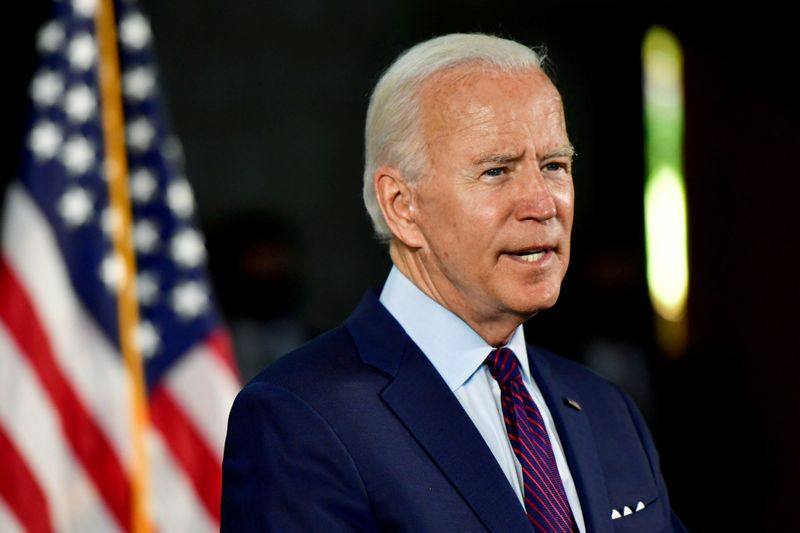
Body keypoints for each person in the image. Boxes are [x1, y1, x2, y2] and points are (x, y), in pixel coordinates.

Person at [221, 33, 687, 532]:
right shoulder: (301, 417)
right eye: (496, 171)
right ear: (402, 206)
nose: (542, 203)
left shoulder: (605, 407)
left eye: (554, 165)